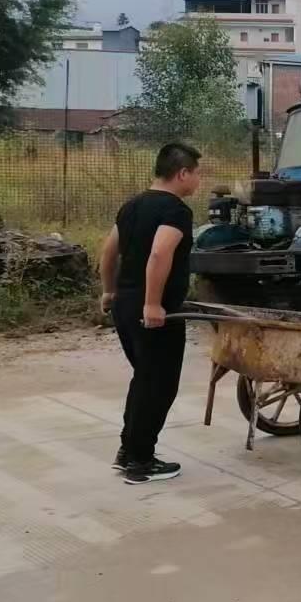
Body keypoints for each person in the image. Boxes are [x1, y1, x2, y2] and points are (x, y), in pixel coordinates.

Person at [100, 142, 203, 485]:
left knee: (144, 378)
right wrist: (153, 303)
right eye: (197, 173)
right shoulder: (175, 211)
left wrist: (109, 290)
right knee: (159, 384)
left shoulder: (131, 207)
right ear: (182, 173)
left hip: (125, 306)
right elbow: (159, 254)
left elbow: (109, 250)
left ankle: (129, 451)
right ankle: (141, 462)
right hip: (154, 312)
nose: (199, 181)